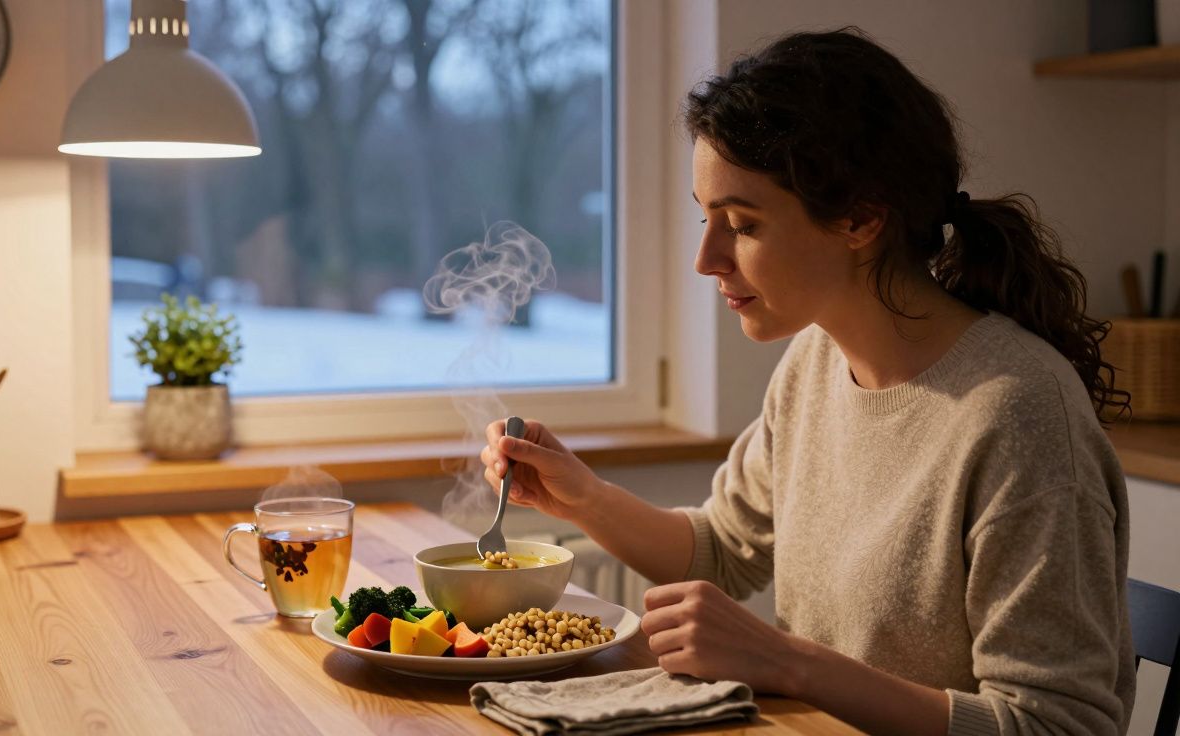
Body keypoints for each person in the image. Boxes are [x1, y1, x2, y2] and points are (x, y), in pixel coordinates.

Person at [479, 27, 1135, 736]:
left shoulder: (1019, 414)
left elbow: (1062, 726)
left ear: (860, 218)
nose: (706, 258)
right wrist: (584, 497)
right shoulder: (816, 363)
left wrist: (792, 663)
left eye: (741, 223)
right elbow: (722, 553)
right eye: (706, 218)